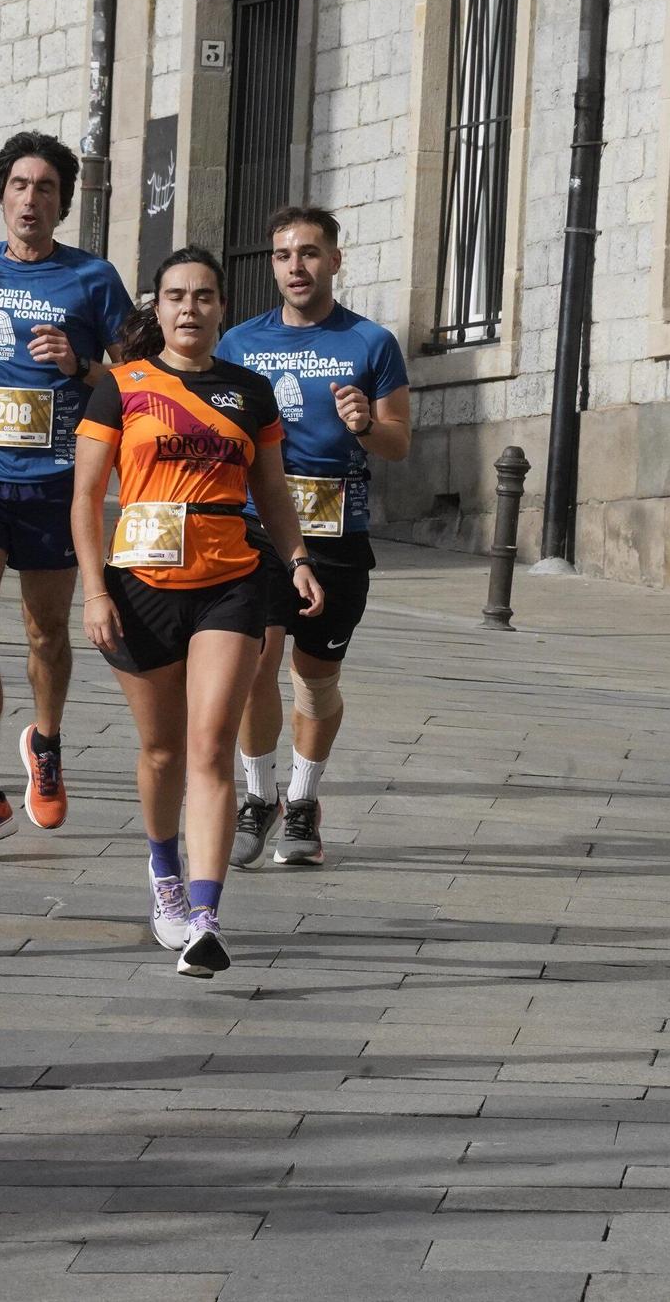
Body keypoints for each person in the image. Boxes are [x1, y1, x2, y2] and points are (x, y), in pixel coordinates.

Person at [72, 246, 324, 977]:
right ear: (157, 306)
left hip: (230, 578)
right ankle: (165, 876)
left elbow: (273, 492)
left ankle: (207, 918)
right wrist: (93, 589)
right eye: (176, 296)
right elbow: (87, 498)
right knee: (162, 750)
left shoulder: (250, 391)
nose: (190, 308)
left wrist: (299, 557)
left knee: (211, 744)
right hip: (141, 583)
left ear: (220, 307)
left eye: (204, 296)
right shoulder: (121, 387)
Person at [0, 131, 132, 849]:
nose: (30, 198)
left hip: (55, 485)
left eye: (45, 188)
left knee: (45, 631)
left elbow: (136, 383)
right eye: (19, 185)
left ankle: (44, 740)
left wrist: (79, 365)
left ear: (62, 202)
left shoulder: (93, 279)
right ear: (1, 194)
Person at [218, 206, 411, 869]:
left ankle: (302, 802)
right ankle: (257, 795)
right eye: (282, 255)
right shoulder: (240, 344)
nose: (295, 266)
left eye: (308, 253)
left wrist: (363, 424)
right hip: (257, 529)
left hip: (337, 535)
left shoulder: (371, 343)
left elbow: (398, 442)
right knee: (252, 665)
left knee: (314, 679)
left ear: (335, 259)